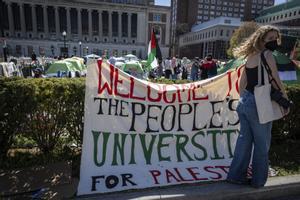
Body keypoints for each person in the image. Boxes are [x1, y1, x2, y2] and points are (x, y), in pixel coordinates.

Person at [227, 25, 290, 188]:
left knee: (244, 142)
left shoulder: (250, 56)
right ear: (261, 40)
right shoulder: (268, 55)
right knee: (262, 144)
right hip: (259, 103)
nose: (274, 41)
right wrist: (285, 99)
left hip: (245, 102)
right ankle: (258, 181)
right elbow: (275, 79)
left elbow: (242, 84)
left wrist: (246, 99)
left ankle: (235, 176)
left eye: (276, 37)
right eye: (270, 38)